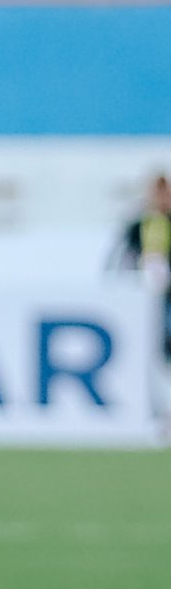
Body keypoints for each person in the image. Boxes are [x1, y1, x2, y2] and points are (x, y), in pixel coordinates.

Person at [113, 172, 171, 421]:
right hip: (143, 299)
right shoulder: (140, 223)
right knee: (148, 350)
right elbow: (124, 256)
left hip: (167, 298)